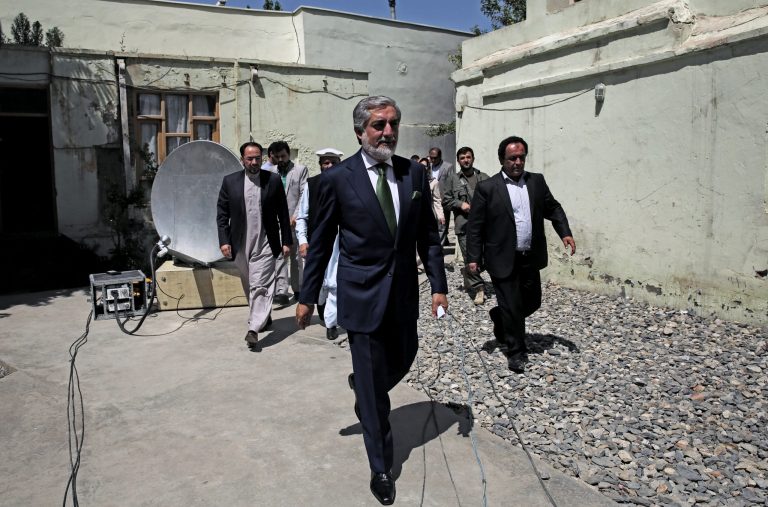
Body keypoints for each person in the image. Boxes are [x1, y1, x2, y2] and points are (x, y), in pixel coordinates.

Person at [296, 96, 448, 505]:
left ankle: (363, 389)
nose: (388, 132)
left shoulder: (413, 175)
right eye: (379, 125)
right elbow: (323, 242)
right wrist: (307, 297)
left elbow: (427, 237)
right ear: (360, 131)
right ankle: (380, 465)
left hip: (402, 295)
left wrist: (439, 285)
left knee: (406, 354)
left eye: (393, 123)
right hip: (360, 295)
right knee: (375, 392)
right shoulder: (337, 180)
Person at [466, 136, 575, 373]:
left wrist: (564, 232)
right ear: (502, 160)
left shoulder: (536, 182)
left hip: (529, 256)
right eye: (512, 158)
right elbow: (475, 226)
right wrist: (473, 258)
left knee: (532, 301)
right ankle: (516, 352)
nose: (517, 162)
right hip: (501, 257)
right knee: (512, 306)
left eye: (521, 157)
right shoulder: (487, 188)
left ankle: (500, 317)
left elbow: (552, 207)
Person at [216, 142, 292, 351]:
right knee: (250, 283)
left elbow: (283, 214)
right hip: (240, 242)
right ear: (242, 160)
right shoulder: (230, 182)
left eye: (257, 158)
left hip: (266, 242)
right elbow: (222, 215)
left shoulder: (273, 180)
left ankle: (253, 329)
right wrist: (224, 240)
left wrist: (286, 240)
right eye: (249, 158)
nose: (254, 162)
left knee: (260, 284)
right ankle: (263, 316)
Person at [295, 147, 344, 339]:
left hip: (341, 242)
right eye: (326, 162)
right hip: (318, 241)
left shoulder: (347, 183)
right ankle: (323, 309)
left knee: (335, 281)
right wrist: (302, 240)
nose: (330, 166)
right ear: (321, 165)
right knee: (320, 280)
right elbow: (302, 216)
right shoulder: (312, 185)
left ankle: (331, 323)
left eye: (333, 162)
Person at [442, 146, 490, 305]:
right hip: (464, 226)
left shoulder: (483, 177)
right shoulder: (452, 179)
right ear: (458, 161)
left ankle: (468, 273)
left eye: (468, 157)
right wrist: (460, 204)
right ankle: (478, 288)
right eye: (462, 158)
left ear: (473, 158)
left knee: (485, 257)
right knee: (471, 258)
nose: (466, 160)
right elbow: (446, 200)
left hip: (484, 225)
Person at [271, 140, 308, 306]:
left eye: (283, 156)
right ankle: (282, 291)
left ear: (289, 154)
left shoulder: (300, 170)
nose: (280, 159)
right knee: (280, 255)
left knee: (297, 258)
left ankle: (298, 289)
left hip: (294, 221)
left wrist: (296, 215)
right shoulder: (271, 172)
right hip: (278, 222)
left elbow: (303, 194)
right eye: (277, 156)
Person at [428, 147, 454, 246]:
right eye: (431, 158)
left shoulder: (448, 167)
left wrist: (449, 199)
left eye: (435, 158)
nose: (433, 160)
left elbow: (450, 183)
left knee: (443, 224)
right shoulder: (428, 167)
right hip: (431, 201)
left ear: (440, 156)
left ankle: (440, 247)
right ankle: (441, 242)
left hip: (443, 200)